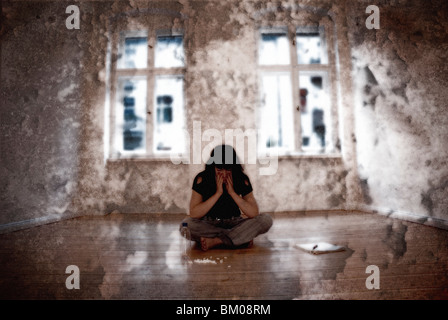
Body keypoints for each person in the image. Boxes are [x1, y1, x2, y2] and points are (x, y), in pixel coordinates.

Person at [180, 144, 273, 251]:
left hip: (234, 223)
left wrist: (232, 193)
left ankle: (217, 241)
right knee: (185, 225)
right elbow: (194, 213)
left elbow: (253, 213)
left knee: (266, 220)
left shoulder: (241, 178)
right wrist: (218, 193)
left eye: (228, 169)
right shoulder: (202, 178)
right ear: (213, 165)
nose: (224, 174)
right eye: (219, 169)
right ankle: (239, 238)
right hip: (210, 223)